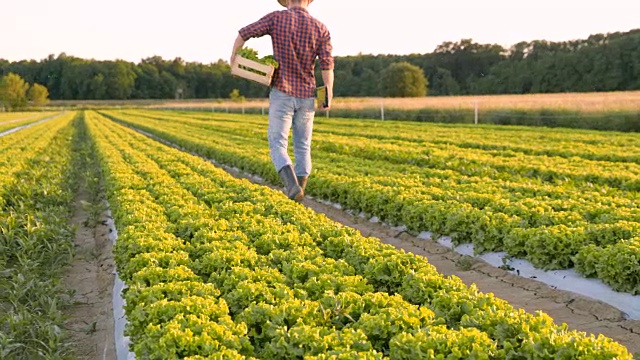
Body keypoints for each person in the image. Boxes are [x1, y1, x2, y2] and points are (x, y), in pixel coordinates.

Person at [230, 0, 334, 201]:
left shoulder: (276, 18)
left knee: (278, 142)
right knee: (303, 144)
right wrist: (327, 94)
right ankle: (299, 191)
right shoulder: (321, 28)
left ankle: (292, 187)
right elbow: (327, 66)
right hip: (307, 94)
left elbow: (243, 33)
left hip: (282, 92)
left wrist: (234, 58)